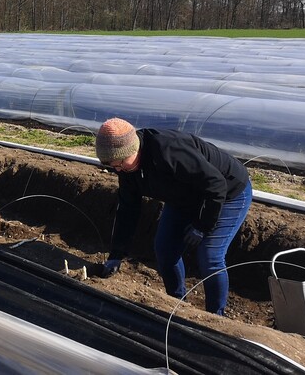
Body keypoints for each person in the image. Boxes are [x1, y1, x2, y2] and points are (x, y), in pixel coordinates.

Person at [93, 118, 252, 316]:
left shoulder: (168, 150)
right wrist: (116, 254)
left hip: (227, 192)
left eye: (121, 163)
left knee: (209, 256)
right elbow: (127, 209)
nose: (119, 169)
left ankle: (216, 317)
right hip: (184, 196)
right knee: (165, 249)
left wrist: (202, 226)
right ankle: (177, 306)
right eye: (113, 166)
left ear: (134, 149)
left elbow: (215, 185)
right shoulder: (126, 169)